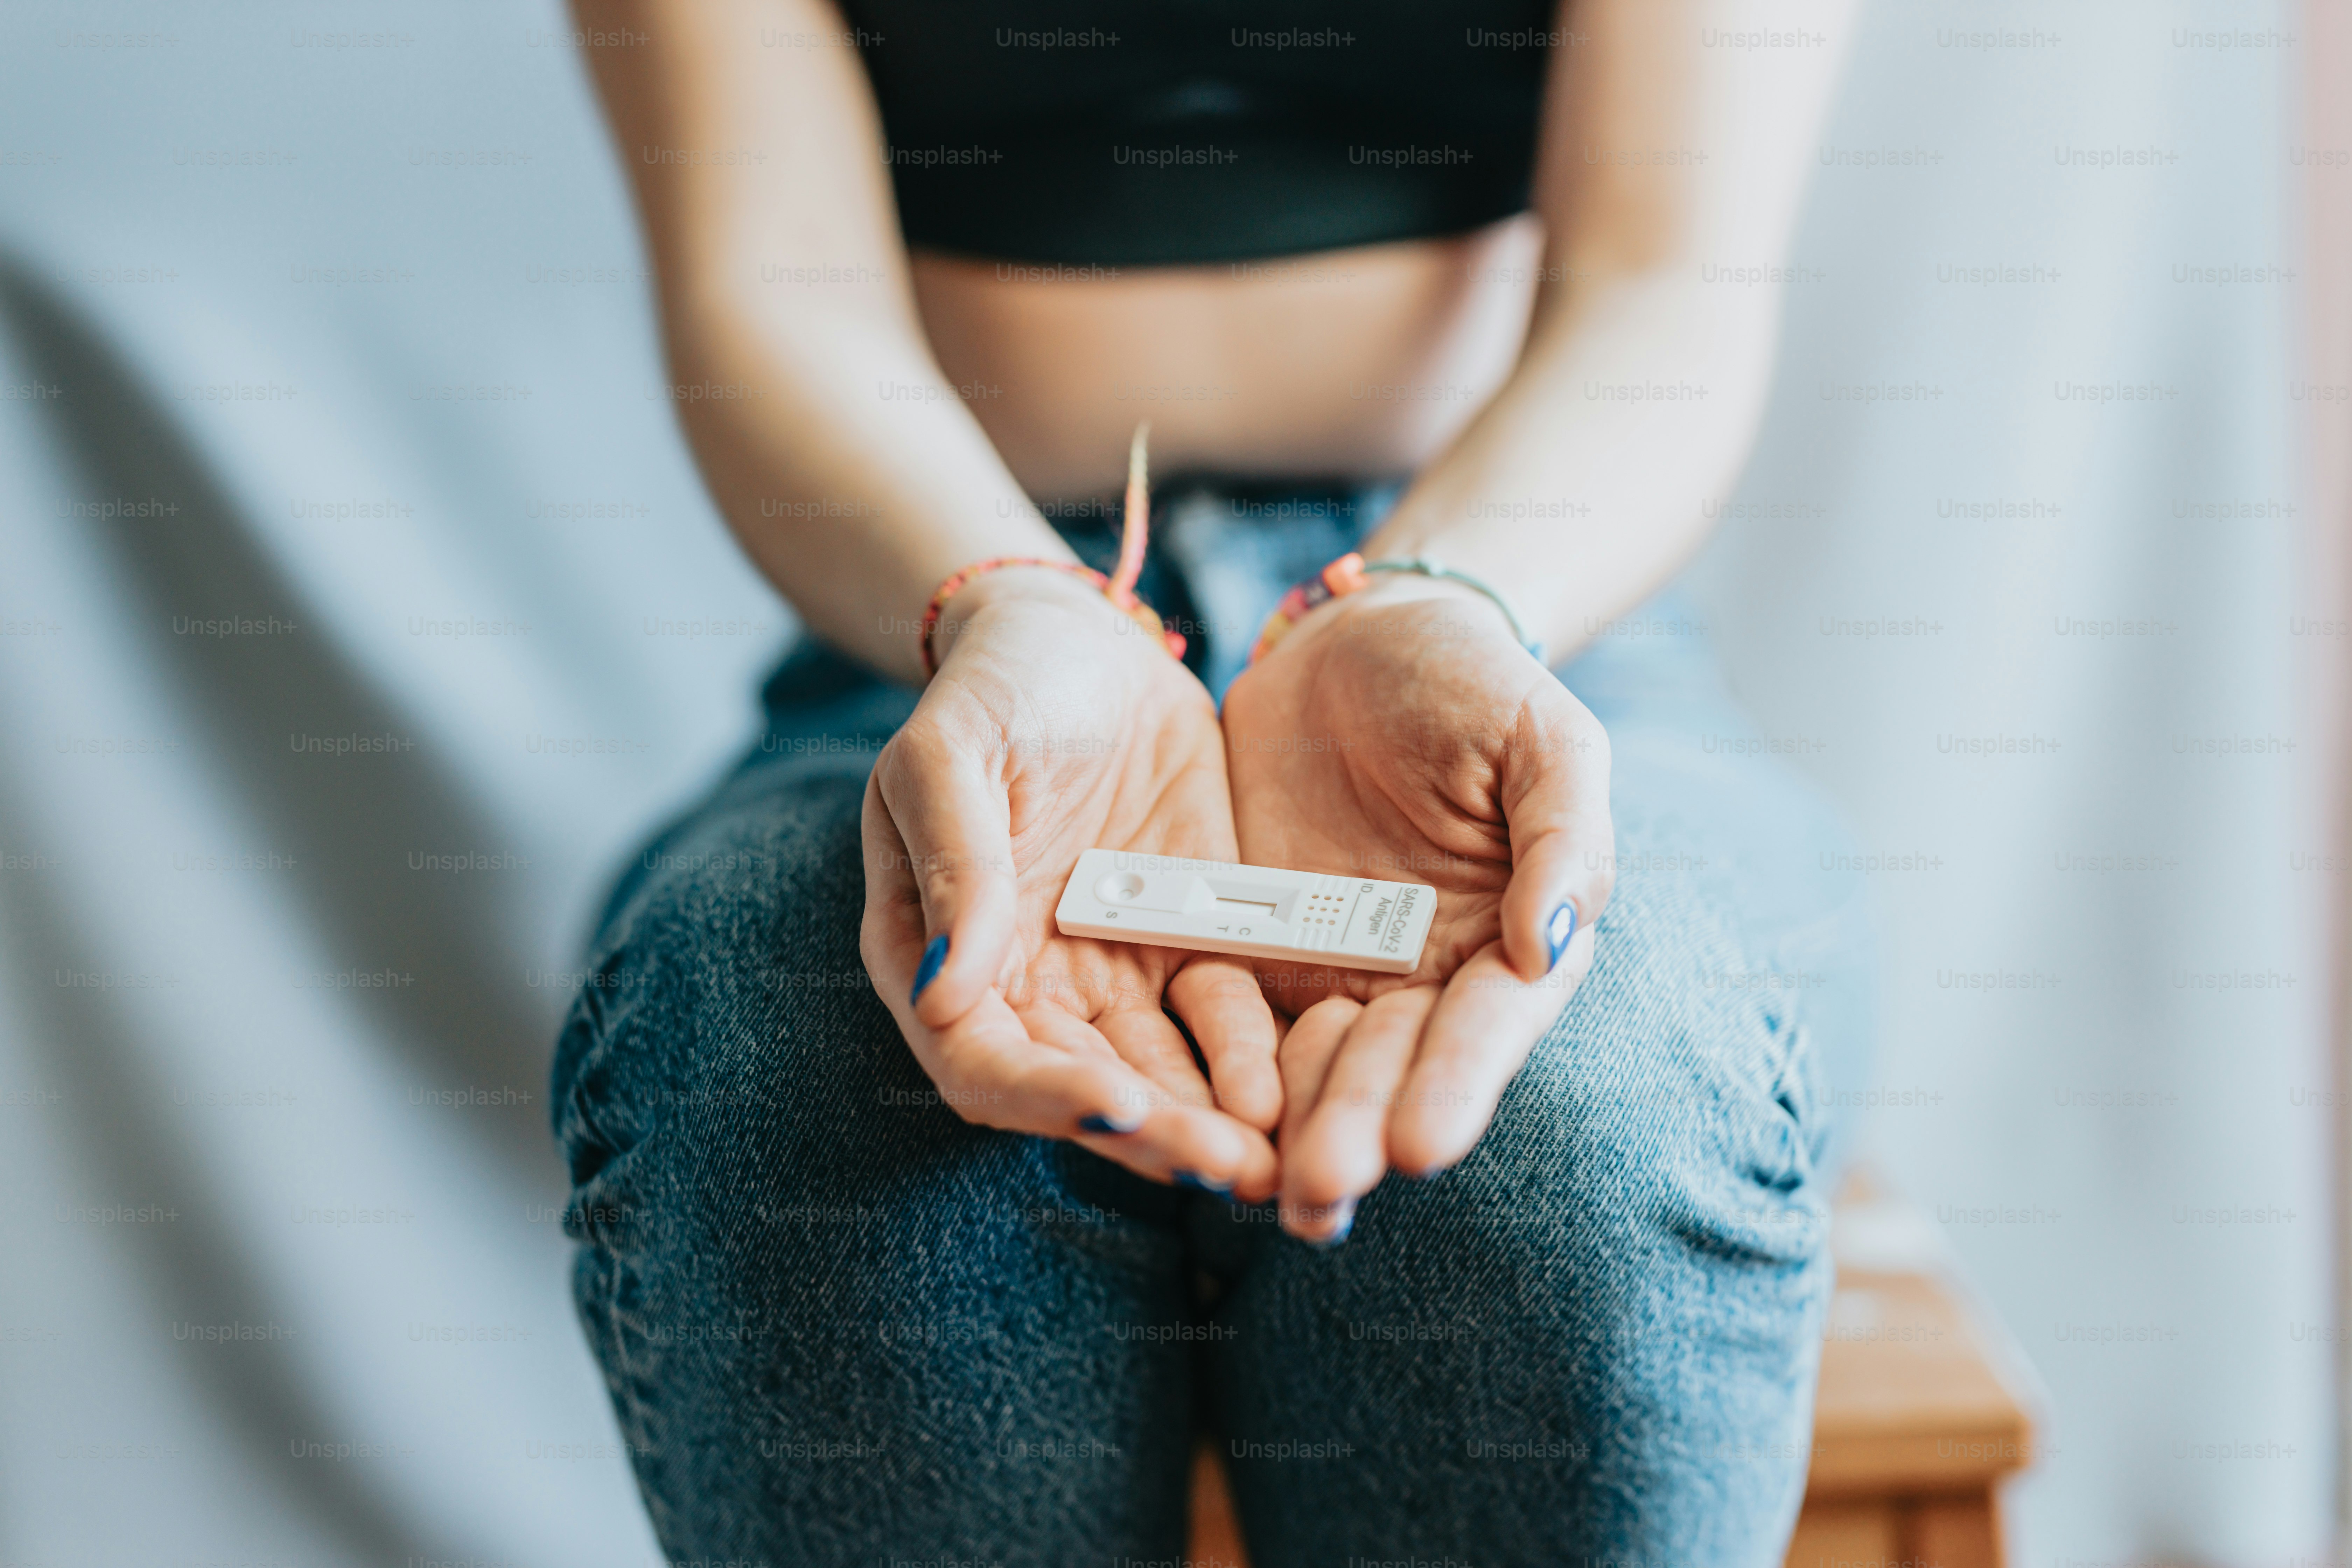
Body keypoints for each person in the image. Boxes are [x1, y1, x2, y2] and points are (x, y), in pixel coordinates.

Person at [552, 0, 1870, 1561]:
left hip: (1530, 603)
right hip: (946, 616)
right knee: (775, 1047)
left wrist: (1439, 597)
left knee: (1584, 1097)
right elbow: (770, 289)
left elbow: (1665, 283)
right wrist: (1009, 607)